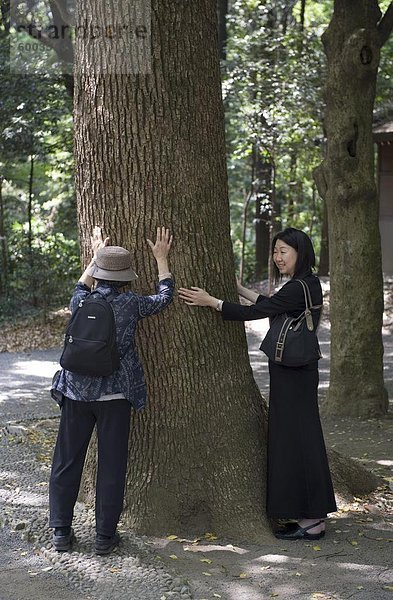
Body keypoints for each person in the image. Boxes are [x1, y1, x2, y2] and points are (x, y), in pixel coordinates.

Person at [178, 227, 337, 540]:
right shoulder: (306, 284)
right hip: (296, 373)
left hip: (294, 374)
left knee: (297, 441)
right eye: (275, 251)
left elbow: (258, 312)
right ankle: (310, 514)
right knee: (297, 439)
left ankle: (313, 520)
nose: (277, 257)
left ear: (300, 253)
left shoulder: (298, 287)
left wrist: (212, 301)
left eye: (283, 251)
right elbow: (274, 305)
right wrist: (238, 287)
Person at [49, 226, 174, 554]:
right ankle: (105, 536)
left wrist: (94, 256)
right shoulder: (131, 304)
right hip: (116, 395)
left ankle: (61, 531)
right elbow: (164, 298)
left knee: (67, 460)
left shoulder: (81, 299)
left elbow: (80, 283)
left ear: (100, 274)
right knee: (111, 464)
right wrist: (162, 260)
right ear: (127, 277)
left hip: (75, 392)